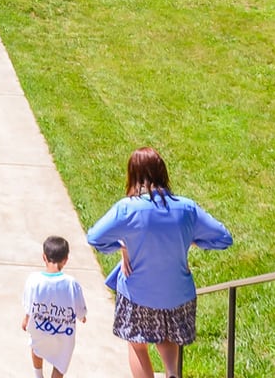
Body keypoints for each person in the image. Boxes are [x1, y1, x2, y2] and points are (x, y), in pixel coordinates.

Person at [86, 148, 233, 378]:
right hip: (178, 294)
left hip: (138, 294)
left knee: (137, 344)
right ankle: (172, 372)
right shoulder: (187, 207)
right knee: (167, 335)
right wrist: (192, 241)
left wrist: (122, 245)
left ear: (133, 174)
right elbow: (223, 238)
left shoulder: (127, 208)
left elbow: (95, 238)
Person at [21, 235, 87, 378]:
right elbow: (80, 309)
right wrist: (82, 317)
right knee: (60, 363)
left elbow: (29, 306)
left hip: (40, 329)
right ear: (66, 260)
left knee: (36, 348)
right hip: (63, 335)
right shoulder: (71, 284)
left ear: (44, 257)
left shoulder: (33, 280)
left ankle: (38, 375)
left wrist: (26, 319)